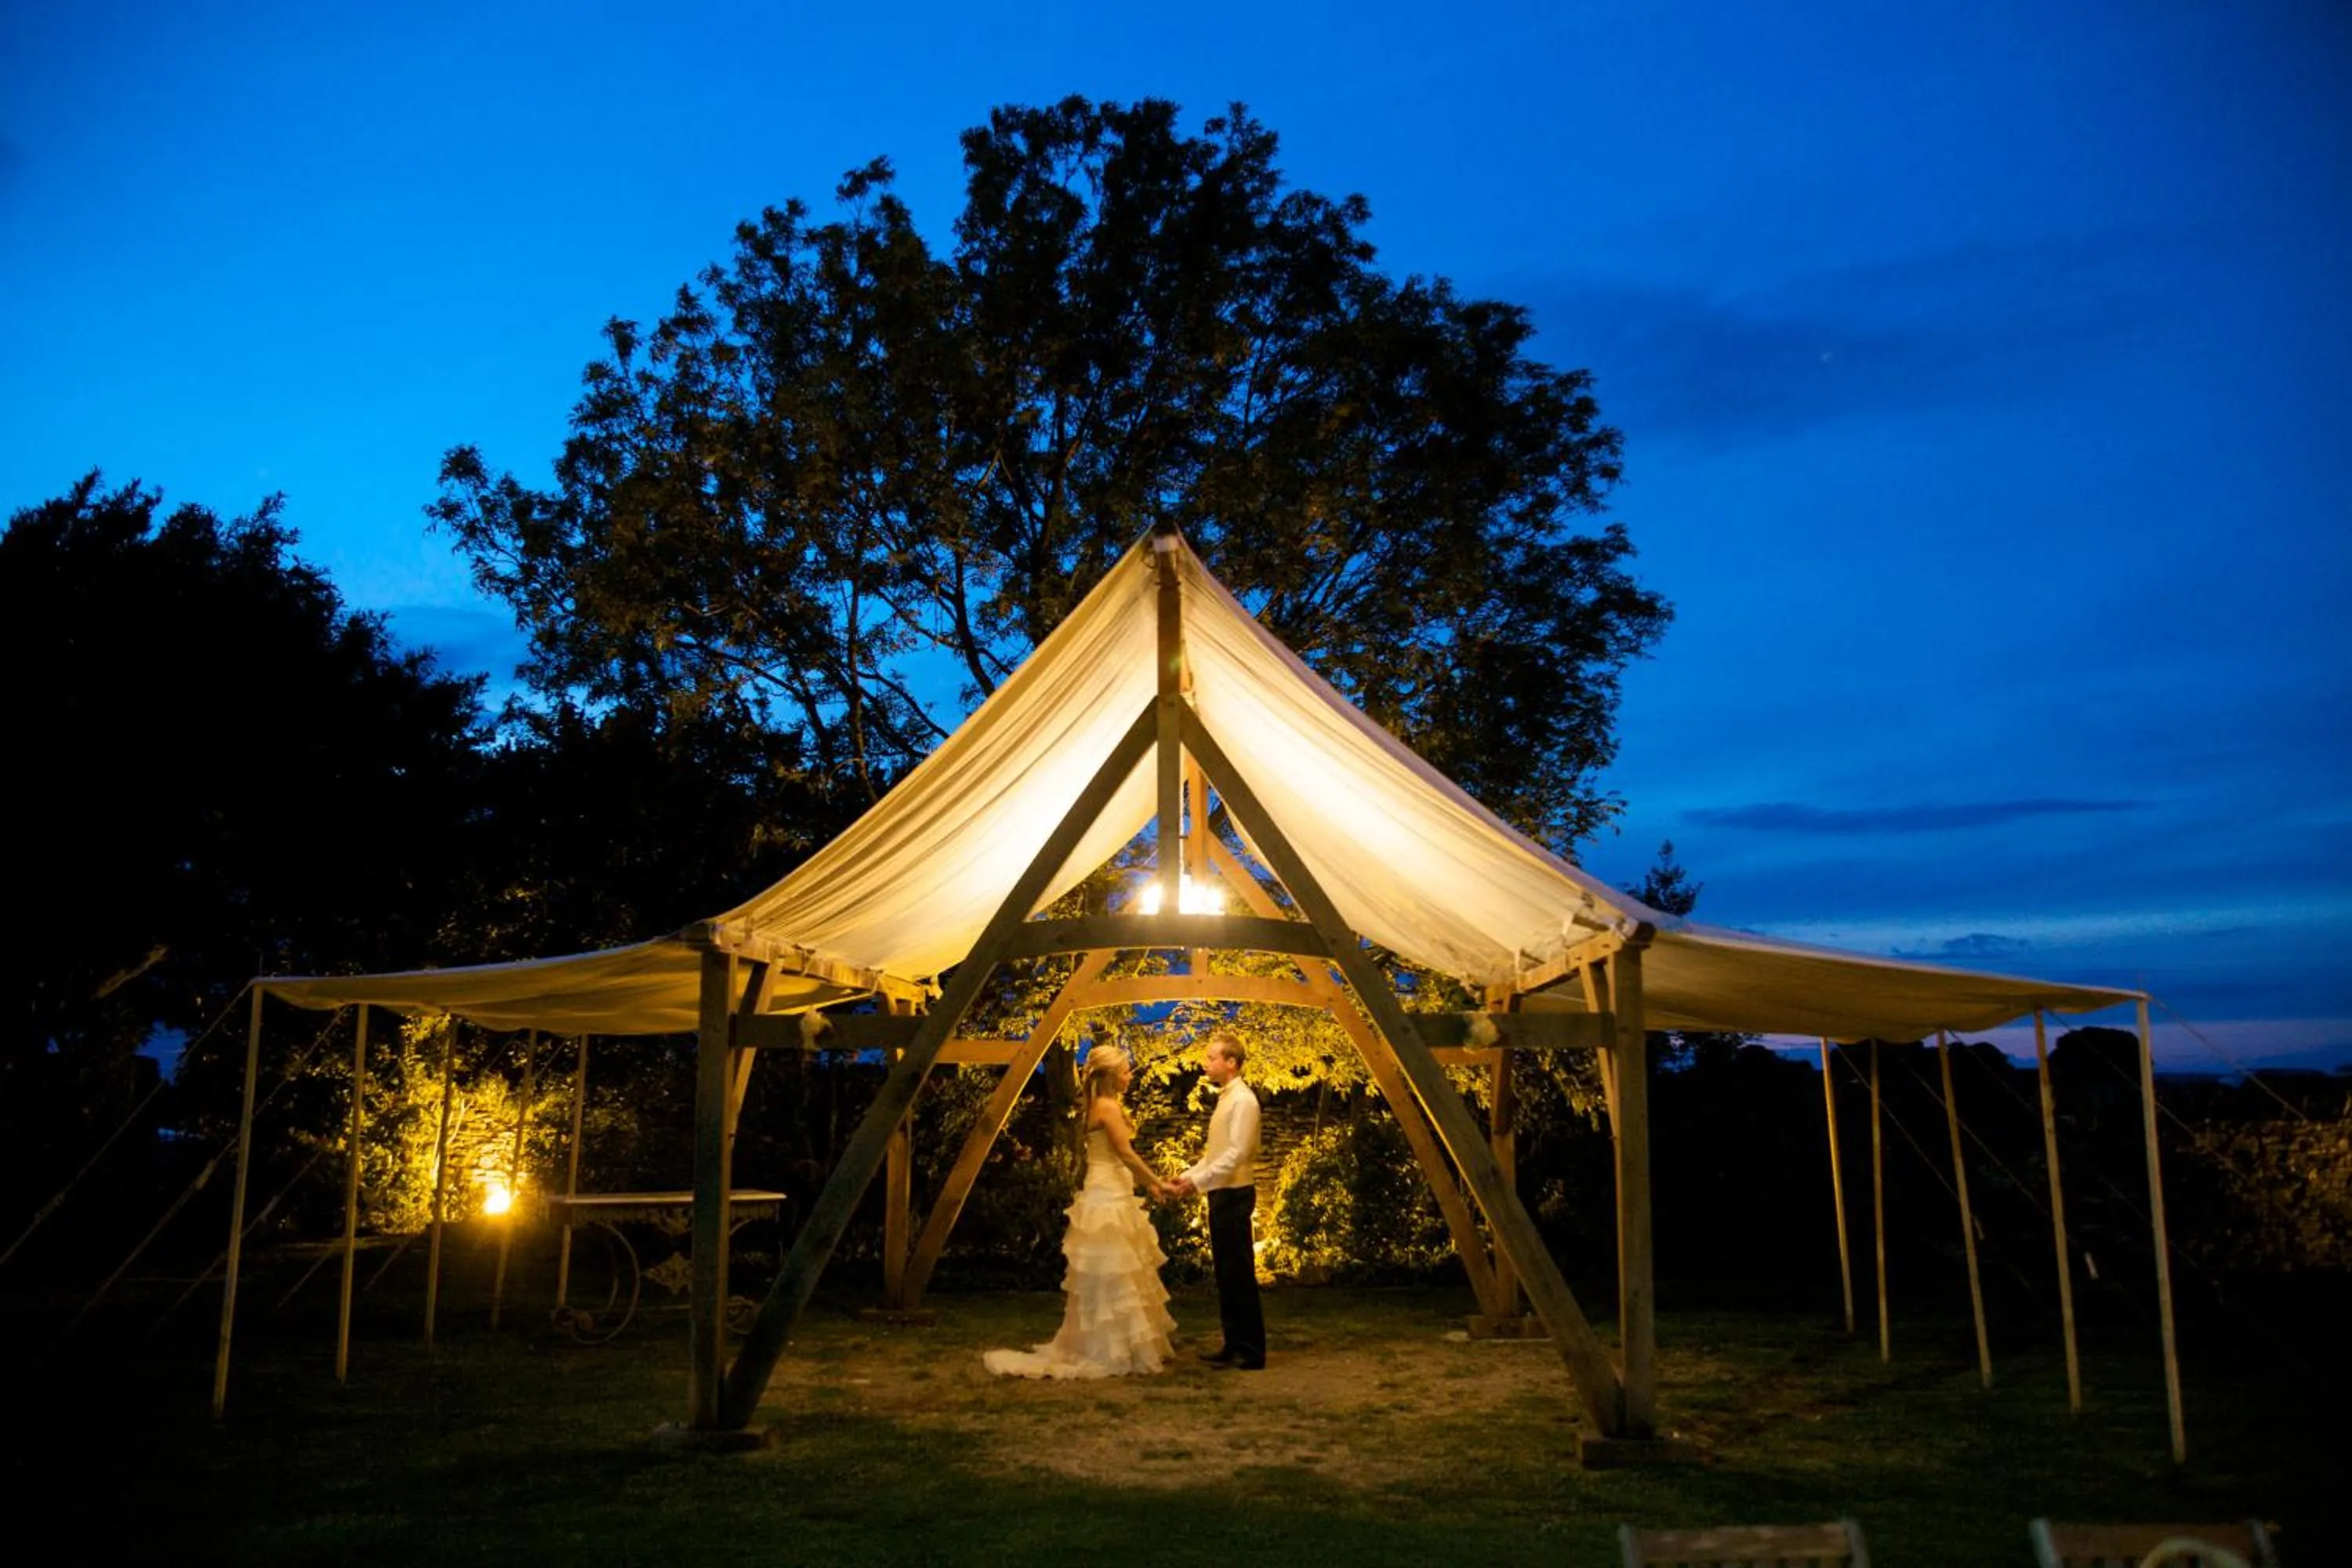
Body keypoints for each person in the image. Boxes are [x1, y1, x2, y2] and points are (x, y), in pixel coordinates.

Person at [982, 1044, 1177, 1379]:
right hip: (1108, 1194)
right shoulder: (1107, 1107)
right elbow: (1126, 1154)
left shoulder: (1101, 1105)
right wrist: (1156, 1183)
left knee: (1116, 1271)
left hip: (1110, 1188)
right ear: (1111, 1076)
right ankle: (1111, 1348)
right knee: (1114, 1270)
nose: (1130, 1076)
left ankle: (1119, 1344)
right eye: (1126, 1071)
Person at [1167, 1029, 1265, 1370]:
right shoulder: (1227, 1099)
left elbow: (1236, 1154)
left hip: (1235, 1194)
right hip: (1222, 1193)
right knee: (1227, 1275)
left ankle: (1251, 1351)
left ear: (1231, 1062)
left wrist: (1197, 1183)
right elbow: (1216, 1154)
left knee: (1240, 1274)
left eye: (1212, 1058)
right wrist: (1189, 1177)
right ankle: (1233, 1343)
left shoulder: (1244, 1101)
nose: (1205, 1063)